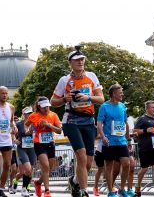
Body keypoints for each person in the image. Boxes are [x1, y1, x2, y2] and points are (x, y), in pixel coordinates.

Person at [50, 47, 104, 197]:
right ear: (70, 63)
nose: (80, 62)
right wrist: (63, 99)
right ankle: (84, 191)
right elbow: (52, 101)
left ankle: (74, 181)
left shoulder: (92, 76)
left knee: (87, 161)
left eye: (82, 60)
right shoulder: (64, 80)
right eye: (77, 60)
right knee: (80, 154)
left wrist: (88, 98)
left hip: (88, 120)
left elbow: (101, 98)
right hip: (71, 120)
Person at [96, 84, 130, 197]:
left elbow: (125, 123)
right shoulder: (104, 106)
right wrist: (103, 136)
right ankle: (110, 191)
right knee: (109, 166)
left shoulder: (122, 106)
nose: (122, 94)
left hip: (121, 141)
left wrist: (128, 139)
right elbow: (99, 123)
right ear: (113, 93)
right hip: (109, 142)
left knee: (126, 164)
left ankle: (122, 189)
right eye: (120, 92)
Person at [26, 97, 62, 197]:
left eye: (47, 106)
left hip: (50, 143)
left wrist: (49, 125)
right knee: (45, 166)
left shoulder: (53, 115)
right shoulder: (34, 115)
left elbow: (59, 130)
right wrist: (28, 130)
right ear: (39, 107)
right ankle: (47, 191)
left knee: (50, 168)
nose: (46, 108)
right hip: (39, 143)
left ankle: (38, 183)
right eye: (44, 107)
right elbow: (26, 124)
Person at [133, 100, 154, 197]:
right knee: (144, 169)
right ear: (147, 108)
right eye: (152, 107)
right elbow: (135, 131)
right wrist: (146, 130)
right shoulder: (142, 119)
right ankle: (137, 188)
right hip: (145, 147)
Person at [15, 106, 37, 197]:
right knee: (27, 169)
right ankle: (21, 187)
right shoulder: (19, 124)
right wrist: (14, 140)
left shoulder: (35, 123)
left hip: (32, 149)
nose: (30, 115)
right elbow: (10, 132)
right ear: (24, 114)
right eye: (28, 113)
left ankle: (25, 188)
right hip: (22, 148)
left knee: (30, 171)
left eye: (31, 113)